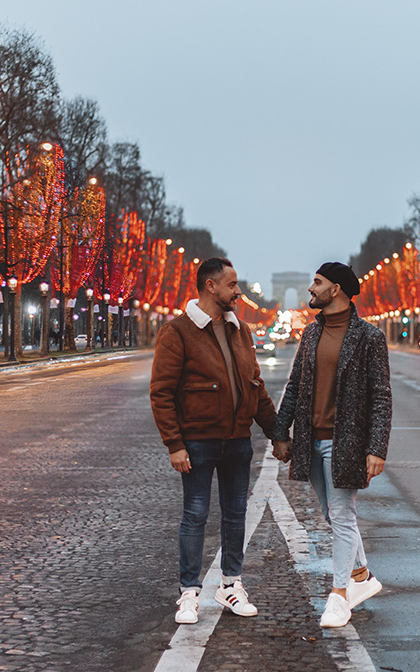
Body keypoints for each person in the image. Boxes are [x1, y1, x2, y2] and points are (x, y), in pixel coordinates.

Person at [150, 257, 278, 625]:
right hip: (198, 440)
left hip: (238, 439)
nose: (238, 292)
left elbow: (256, 387)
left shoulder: (241, 331)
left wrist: (277, 434)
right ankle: (188, 591)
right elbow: (161, 392)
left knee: (236, 515)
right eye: (233, 285)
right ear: (210, 286)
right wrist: (174, 443)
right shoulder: (177, 332)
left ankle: (230, 585)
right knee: (196, 514)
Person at [272, 262, 392, 629]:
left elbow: (381, 397)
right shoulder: (310, 334)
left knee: (341, 516)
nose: (311, 288)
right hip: (311, 441)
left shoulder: (370, 337)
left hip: (347, 443)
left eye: (318, 282)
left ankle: (339, 596)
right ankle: (361, 575)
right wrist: (280, 431)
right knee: (332, 515)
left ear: (336, 289)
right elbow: (295, 385)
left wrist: (377, 447)